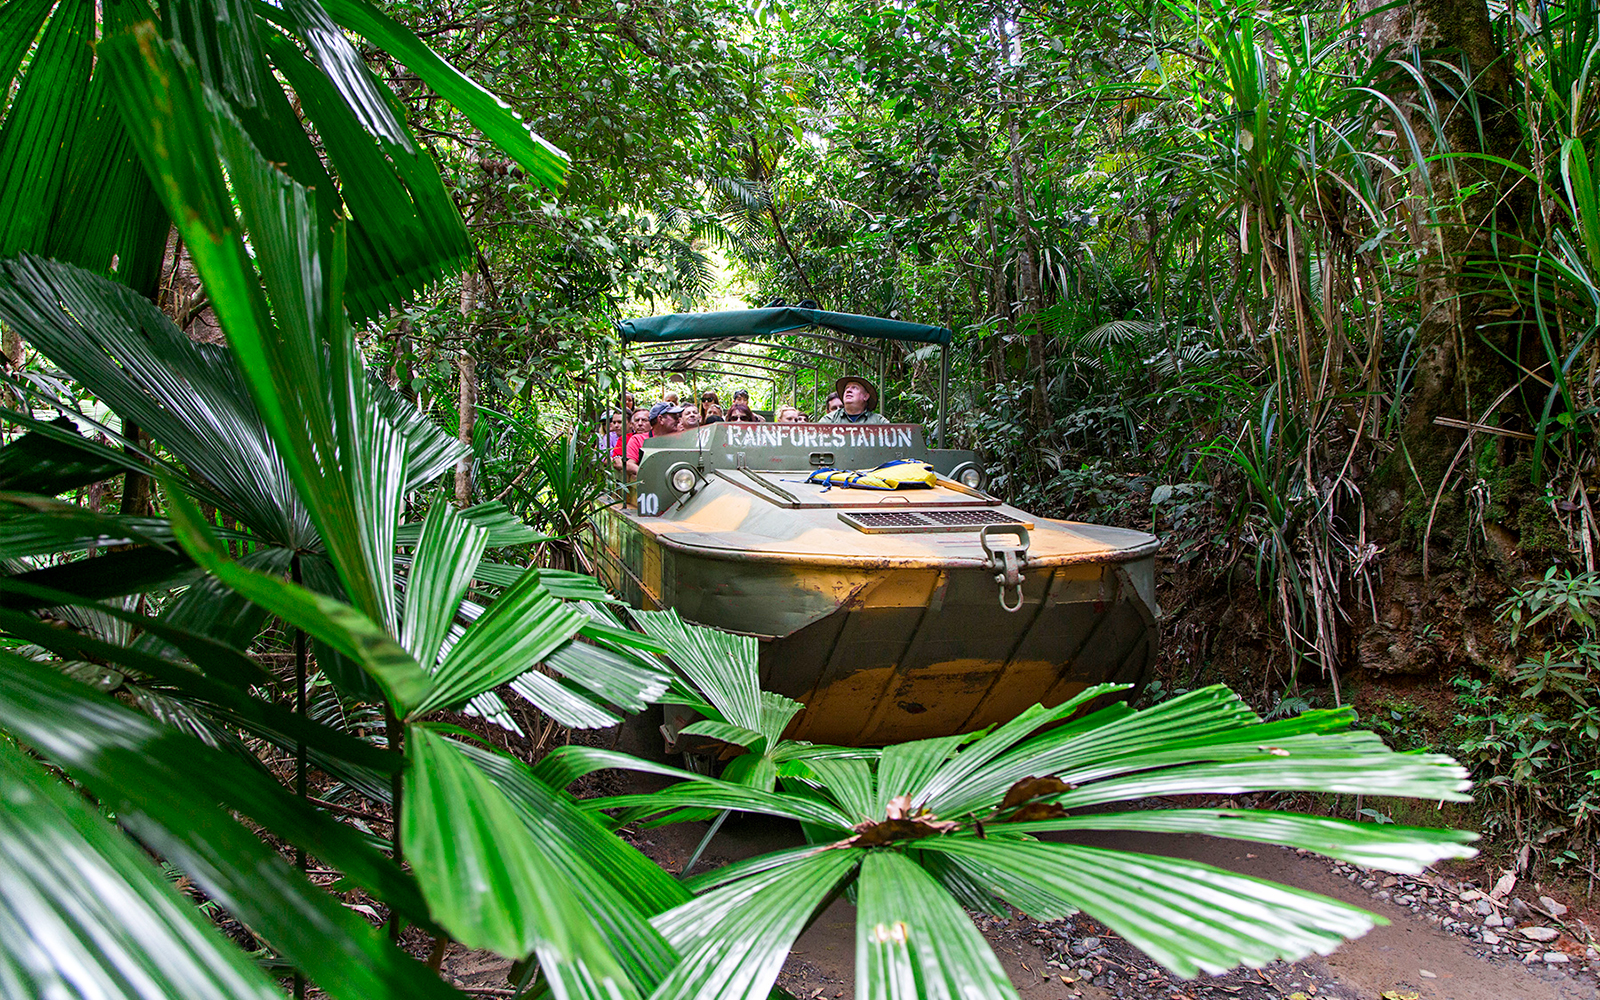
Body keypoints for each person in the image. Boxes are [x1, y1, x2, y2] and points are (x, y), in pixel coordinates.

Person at [617, 402, 681, 478]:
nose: (678, 421)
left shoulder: (680, 439)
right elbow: (629, 464)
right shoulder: (638, 439)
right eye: (674, 417)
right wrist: (647, 474)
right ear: (660, 419)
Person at [818, 375, 888, 424]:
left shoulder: (878, 421)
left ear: (866, 396)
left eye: (854, 388)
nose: (848, 390)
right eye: (846, 388)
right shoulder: (829, 420)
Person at [612, 408, 650, 472]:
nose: (640, 423)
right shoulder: (624, 439)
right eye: (637, 420)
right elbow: (616, 462)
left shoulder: (658, 437)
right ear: (632, 424)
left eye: (644, 420)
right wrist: (630, 466)